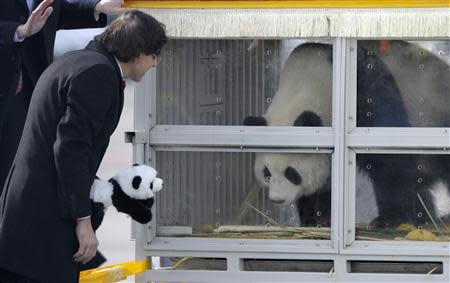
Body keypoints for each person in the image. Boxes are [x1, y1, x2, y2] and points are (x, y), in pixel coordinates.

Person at [0, 10, 167, 283]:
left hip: (26, 218)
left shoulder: (77, 62)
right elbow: (70, 150)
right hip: (43, 225)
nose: (155, 63)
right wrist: (83, 221)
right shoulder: (97, 74)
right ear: (137, 52)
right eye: (154, 55)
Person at [0, 0, 127, 193]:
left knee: (23, 173)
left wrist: (97, 7)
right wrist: (18, 31)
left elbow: (56, 12)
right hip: (7, 87)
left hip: (32, 89)